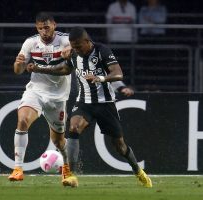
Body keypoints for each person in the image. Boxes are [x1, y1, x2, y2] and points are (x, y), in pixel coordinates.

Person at [27, 26, 152, 188]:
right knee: (73, 127)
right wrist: (40, 68)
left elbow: (118, 73)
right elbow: (65, 69)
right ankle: (70, 175)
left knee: (119, 146)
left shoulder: (102, 50)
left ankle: (138, 171)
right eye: (73, 46)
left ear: (87, 41)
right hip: (84, 102)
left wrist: (100, 78)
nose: (76, 50)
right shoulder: (73, 54)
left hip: (105, 104)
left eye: (78, 46)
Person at [8, 12, 78, 187]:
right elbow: (18, 70)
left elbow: (68, 69)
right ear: (36, 28)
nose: (44, 31)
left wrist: (71, 51)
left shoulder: (65, 40)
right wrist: (18, 64)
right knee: (22, 120)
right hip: (36, 91)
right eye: (40, 28)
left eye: (47, 27)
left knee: (58, 141)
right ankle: (17, 169)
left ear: (54, 24)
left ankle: (67, 169)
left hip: (58, 97)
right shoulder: (30, 42)